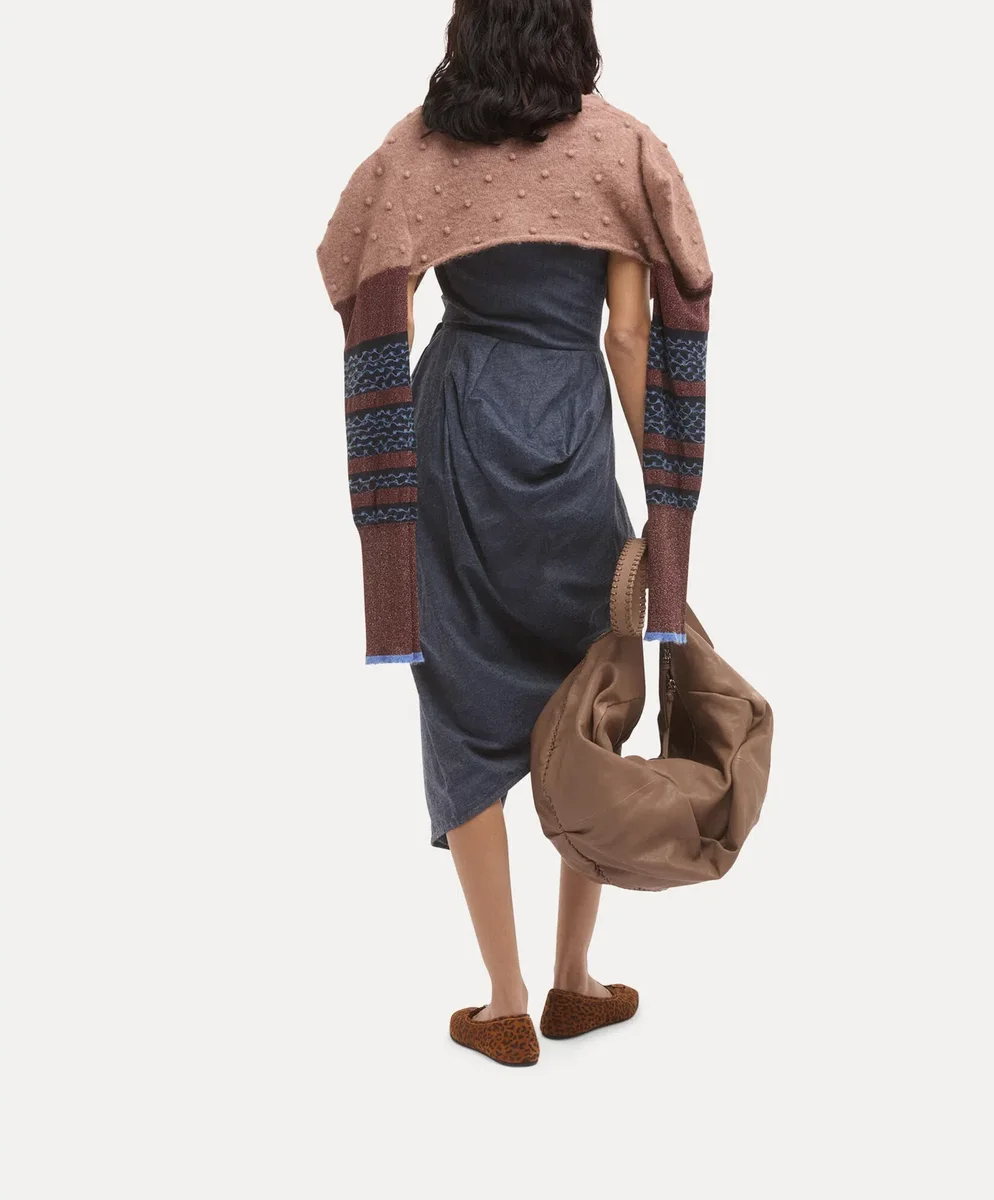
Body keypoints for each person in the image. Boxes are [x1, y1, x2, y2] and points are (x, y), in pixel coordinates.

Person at [317, 0, 711, 1066]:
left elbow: (366, 279)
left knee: (460, 697)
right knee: (588, 692)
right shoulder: (622, 147)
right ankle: (573, 979)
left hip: (452, 425)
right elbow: (628, 338)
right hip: (568, 432)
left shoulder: (420, 145)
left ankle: (502, 1001)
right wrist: (660, 495)